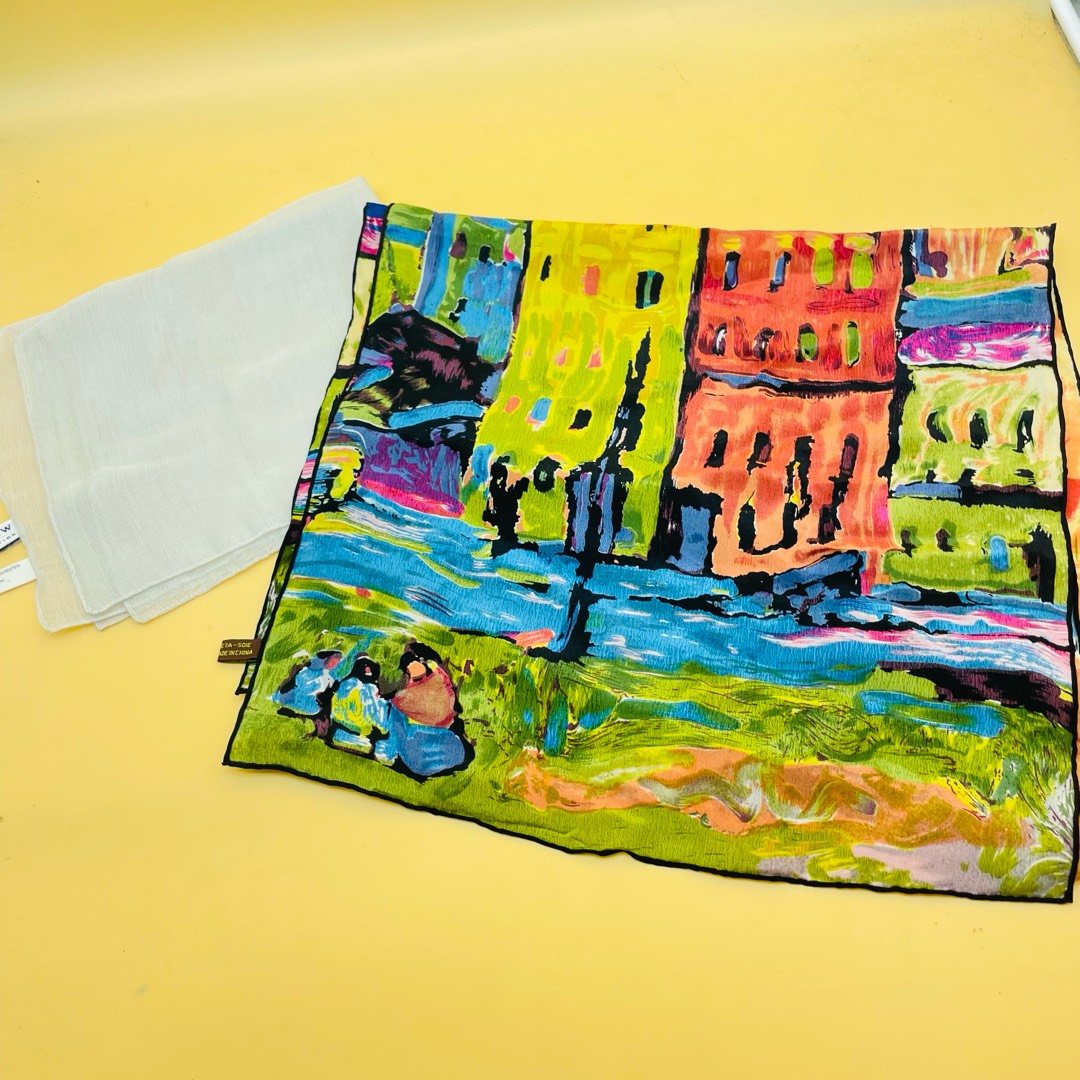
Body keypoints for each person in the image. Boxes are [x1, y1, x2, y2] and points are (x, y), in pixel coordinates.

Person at [375, 644, 469, 778]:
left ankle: (389, 751)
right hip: (453, 754)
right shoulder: (440, 680)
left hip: (418, 761)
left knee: (394, 713)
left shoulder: (403, 699)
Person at [273, 650, 344, 739]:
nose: (334, 664)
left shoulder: (325, 675)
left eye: (336, 662)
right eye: (333, 661)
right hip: (299, 696)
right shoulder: (309, 672)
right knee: (314, 708)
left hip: (306, 696)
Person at [327, 656, 388, 754]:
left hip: (342, 713)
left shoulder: (350, 681)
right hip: (351, 715)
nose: (368, 671)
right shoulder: (360, 685)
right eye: (367, 669)